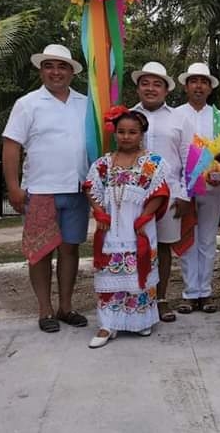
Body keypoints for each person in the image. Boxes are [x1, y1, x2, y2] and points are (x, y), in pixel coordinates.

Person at [2, 44, 89, 333]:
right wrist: (13, 187)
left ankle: (66, 306)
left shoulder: (85, 103)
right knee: (40, 252)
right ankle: (45, 309)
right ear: (42, 70)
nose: (56, 72)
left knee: (70, 249)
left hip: (77, 189)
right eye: (50, 66)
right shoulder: (27, 104)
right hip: (40, 190)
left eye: (62, 66)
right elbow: (11, 146)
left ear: (71, 72)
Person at [84, 107, 170, 348]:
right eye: (121, 131)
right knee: (110, 275)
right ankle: (106, 324)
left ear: (141, 133)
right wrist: (99, 211)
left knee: (137, 274)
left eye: (132, 132)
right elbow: (91, 187)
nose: (126, 136)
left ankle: (141, 320)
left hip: (139, 227)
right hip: (112, 228)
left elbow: (159, 191)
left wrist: (146, 216)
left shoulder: (152, 162)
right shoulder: (103, 164)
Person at [131, 61, 192, 323]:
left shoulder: (179, 118)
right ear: (138, 88)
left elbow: (189, 157)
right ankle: (137, 297)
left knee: (164, 247)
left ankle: (161, 299)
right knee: (136, 245)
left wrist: (185, 194)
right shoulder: (127, 116)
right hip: (134, 193)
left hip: (170, 191)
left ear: (166, 90)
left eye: (157, 84)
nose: (151, 88)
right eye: (145, 83)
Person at [175, 63, 220, 315]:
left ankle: (204, 292)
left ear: (210, 88)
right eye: (194, 81)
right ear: (186, 86)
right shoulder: (175, 115)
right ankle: (189, 293)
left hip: (211, 186)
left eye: (203, 82)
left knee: (207, 239)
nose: (198, 86)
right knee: (187, 238)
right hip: (183, 188)